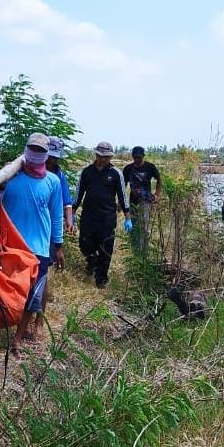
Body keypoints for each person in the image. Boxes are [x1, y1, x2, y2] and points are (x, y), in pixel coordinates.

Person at [0, 132, 64, 355]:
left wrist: (58, 244)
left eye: (41, 151)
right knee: (8, 293)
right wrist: (0, 184)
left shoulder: (52, 181)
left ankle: (17, 339)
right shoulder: (11, 178)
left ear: (46, 155)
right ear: (25, 151)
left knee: (32, 297)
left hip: (39, 250)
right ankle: (3, 328)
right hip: (11, 247)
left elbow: (57, 214)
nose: (36, 155)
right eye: (33, 149)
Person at [27, 136, 74, 341]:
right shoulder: (25, 168)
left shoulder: (56, 177)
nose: (51, 161)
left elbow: (64, 205)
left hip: (45, 236)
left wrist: (67, 225)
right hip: (25, 233)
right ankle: (21, 320)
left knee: (41, 279)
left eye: (54, 158)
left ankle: (38, 321)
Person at [73, 141, 129, 288]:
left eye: (107, 157)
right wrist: (72, 212)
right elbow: (79, 193)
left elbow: (123, 195)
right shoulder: (87, 172)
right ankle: (92, 262)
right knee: (84, 243)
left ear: (110, 157)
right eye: (101, 156)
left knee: (105, 248)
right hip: (88, 216)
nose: (104, 159)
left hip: (107, 217)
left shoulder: (115, 173)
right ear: (96, 155)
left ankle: (101, 279)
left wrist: (127, 217)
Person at [122, 146, 161, 252]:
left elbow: (159, 179)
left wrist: (157, 195)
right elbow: (122, 186)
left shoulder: (150, 167)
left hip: (146, 201)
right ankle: (134, 250)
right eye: (135, 157)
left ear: (143, 156)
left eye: (139, 157)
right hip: (132, 202)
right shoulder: (128, 169)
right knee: (133, 225)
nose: (137, 159)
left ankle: (144, 250)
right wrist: (120, 201)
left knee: (144, 225)